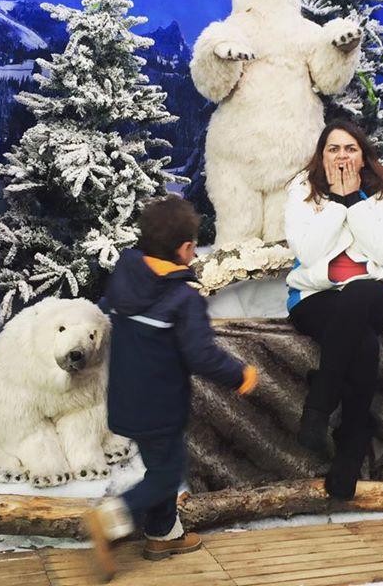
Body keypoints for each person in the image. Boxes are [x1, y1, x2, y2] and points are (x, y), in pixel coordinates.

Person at [84, 195, 258, 581]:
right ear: (185, 248)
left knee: (161, 465)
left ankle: (163, 533)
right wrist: (240, 374)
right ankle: (113, 515)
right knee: (168, 473)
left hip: (125, 399)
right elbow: (201, 355)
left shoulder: (127, 278)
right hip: (160, 406)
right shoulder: (182, 298)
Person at [284, 119, 383, 499]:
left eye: (350, 149)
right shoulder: (303, 192)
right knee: (364, 345)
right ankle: (351, 450)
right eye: (333, 149)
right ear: (322, 156)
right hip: (316, 298)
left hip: (373, 298)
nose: (342, 156)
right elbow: (308, 253)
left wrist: (355, 200)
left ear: (363, 156)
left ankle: (318, 404)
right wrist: (336, 203)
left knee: (360, 291)